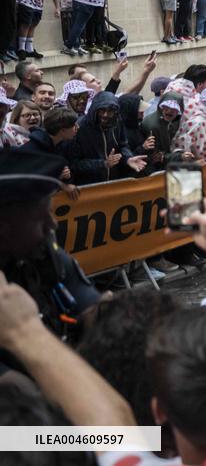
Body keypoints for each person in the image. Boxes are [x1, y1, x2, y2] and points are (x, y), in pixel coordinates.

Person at [0, 147, 101, 375]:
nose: (52, 225)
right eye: (40, 218)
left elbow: (95, 313)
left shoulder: (45, 256)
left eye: (51, 212)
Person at [64, 91, 147, 185]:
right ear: (94, 109)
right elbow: (75, 163)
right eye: (102, 110)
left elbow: (123, 145)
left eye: (110, 111)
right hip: (88, 186)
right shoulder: (79, 128)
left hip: (113, 182)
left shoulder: (117, 122)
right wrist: (103, 164)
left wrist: (128, 158)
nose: (105, 115)